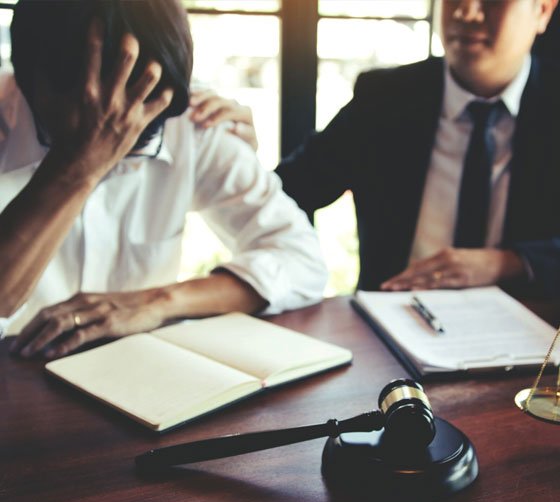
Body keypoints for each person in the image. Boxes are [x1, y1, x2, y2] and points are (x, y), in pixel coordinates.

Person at [0, 0, 327, 359]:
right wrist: (77, 167)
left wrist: (157, 302)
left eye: (137, 138)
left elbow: (302, 260)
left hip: (136, 369)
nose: (116, 129)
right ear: (29, 81)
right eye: (93, 118)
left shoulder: (189, 120)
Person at [190, 0, 560, 297]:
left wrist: (508, 263)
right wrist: (240, 157)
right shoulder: (386, 98)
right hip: (394, 322)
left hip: (530, 333)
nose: (466, 11)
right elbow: (290, 194)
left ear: (542, 11)